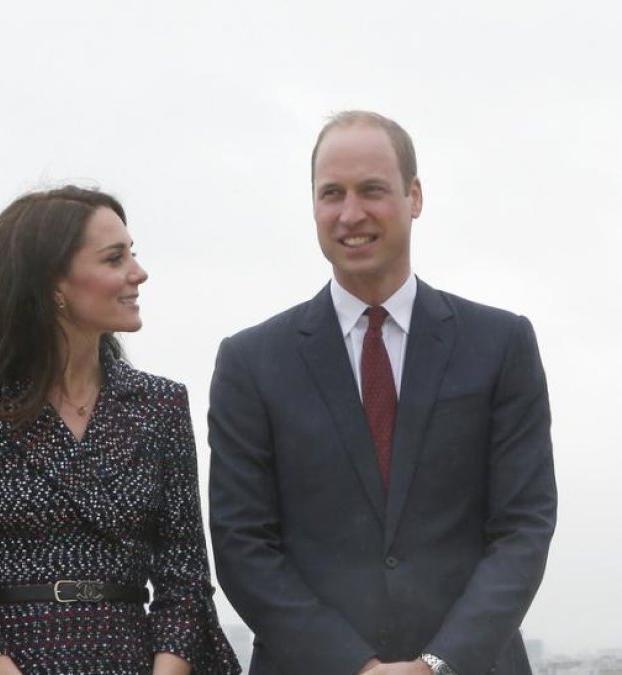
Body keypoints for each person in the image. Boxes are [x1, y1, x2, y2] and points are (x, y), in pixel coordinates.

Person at [208, 111, 556, 675]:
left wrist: (437, 664)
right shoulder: (250, 362)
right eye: (331, 194)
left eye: (372, 190)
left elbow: (523, 528)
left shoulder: (501, 344)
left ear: (414, 196)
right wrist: (356, 668)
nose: (351, 214)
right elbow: (243, 544)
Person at [0, 186, 240, 675]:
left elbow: (184, 580)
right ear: (53, 284)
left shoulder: (161, 405)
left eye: (134, 253)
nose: (138, 272)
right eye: (114, 258)